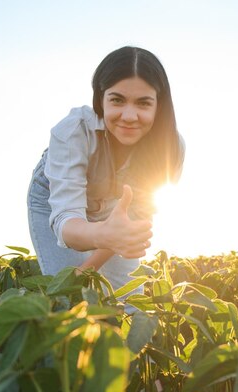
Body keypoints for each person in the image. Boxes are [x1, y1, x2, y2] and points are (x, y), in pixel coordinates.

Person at [27, 46, 185, 303]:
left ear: (159, 105)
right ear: (100, 99)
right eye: (117, 100)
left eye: (144, 103)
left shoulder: (171, 148)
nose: (130, 116)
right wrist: (99, 242)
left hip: (115, 212)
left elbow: (134, 218)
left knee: (128, 303)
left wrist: (94, 260)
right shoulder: (73, 131)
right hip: (53, 202)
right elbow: (67, 218)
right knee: (71, 301)